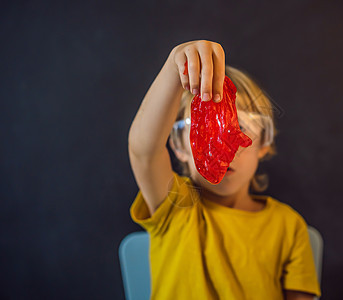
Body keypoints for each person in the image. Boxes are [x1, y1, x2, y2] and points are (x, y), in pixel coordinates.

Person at [128, 40, 321, 300]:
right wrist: (176, 68)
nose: (225, 147)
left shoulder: (288, 227)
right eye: (206, 128)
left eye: (240, 127)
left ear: (263, 144)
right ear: (179, 146)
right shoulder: (175, 205)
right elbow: (144, 152)